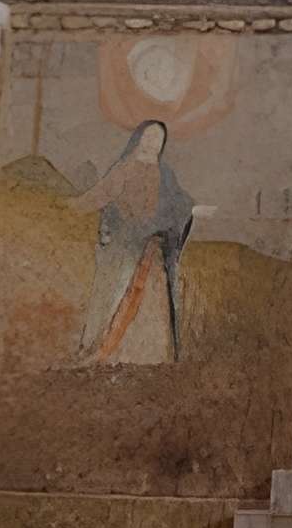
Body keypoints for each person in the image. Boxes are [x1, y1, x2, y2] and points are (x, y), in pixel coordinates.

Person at [71, 120, 198, 364]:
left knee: (151, 299)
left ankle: (143, 355)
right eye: (149, 136)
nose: (153, 143)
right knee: (115, 291)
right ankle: (101, 350)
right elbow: (101, 194)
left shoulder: (165, 173)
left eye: (158, 139)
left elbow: (178, 201)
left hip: (151, 248)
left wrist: (193, 208)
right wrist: (71, 207)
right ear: (139, 138)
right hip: (125, 244)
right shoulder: (124, 169)